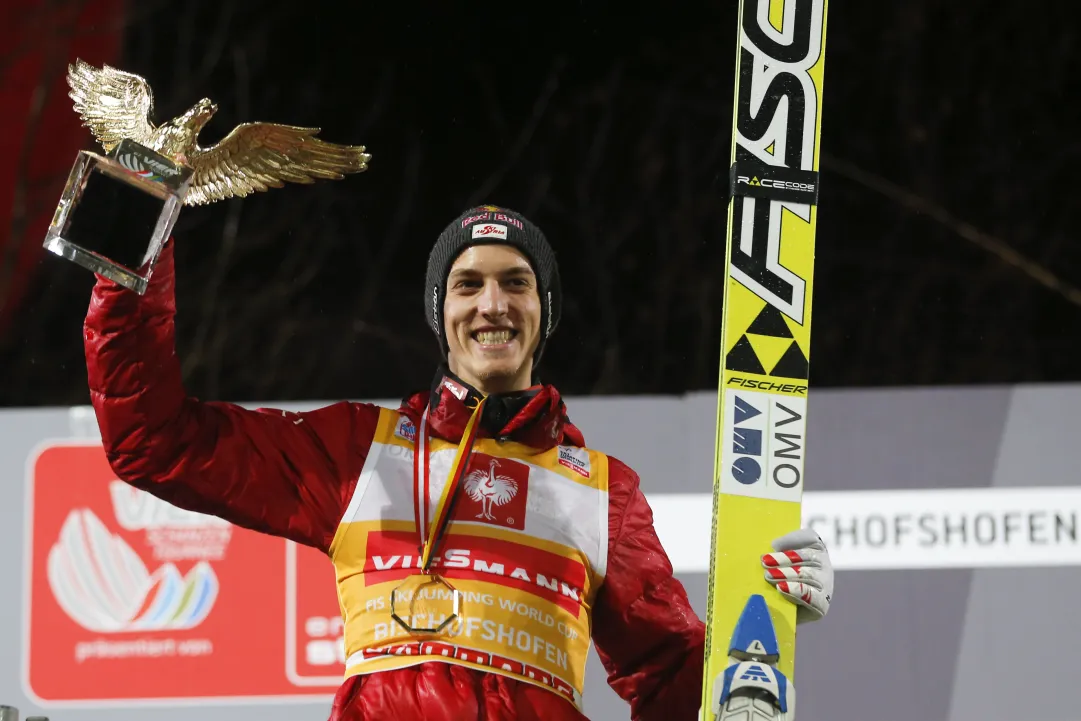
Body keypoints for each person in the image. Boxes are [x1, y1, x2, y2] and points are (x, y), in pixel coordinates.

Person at [83, 205, 834, 721]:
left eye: (516, 282)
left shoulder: (602, 490)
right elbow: (158, 441)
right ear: (439, 310)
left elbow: (673, 678)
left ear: (545, 310)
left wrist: (763, 628)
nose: (491, 304)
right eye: (468, 284)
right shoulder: (357, 449)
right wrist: (130, 253)